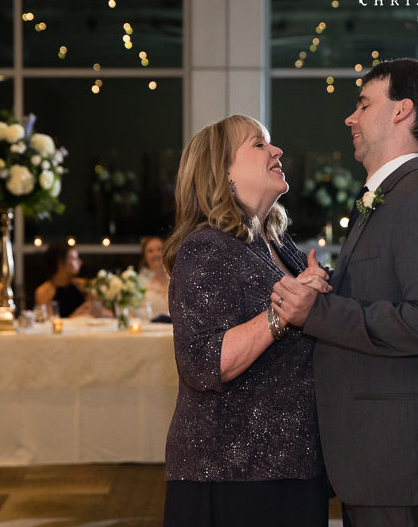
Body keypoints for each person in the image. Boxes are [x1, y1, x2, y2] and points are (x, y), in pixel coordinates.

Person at [273, 59, 418, 527]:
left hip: (398, 458)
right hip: (376, 458)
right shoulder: (388, 199)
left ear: (402, 112)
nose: (351, 117)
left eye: (364, 104)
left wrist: (318, 312)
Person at [162, 114, 332, 527]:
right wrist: (282, 312)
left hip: (290, 465)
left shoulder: (274, 241)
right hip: (232, 473)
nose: (276, 151)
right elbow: (203, 363)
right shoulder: (205, 247)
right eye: (259, 145)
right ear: (223, 172)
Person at [34, 242, 94, 317]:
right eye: (74, 258)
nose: (80, 262)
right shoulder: (43, 292)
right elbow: (46, 323)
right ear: (60, 263)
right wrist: (74, 316)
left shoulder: (82, 285)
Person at [138, 236, 170, 320]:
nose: (156, 254)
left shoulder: (176, 280)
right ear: (145, 257)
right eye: (150, 251)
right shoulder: (138, 283)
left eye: (159, 249)